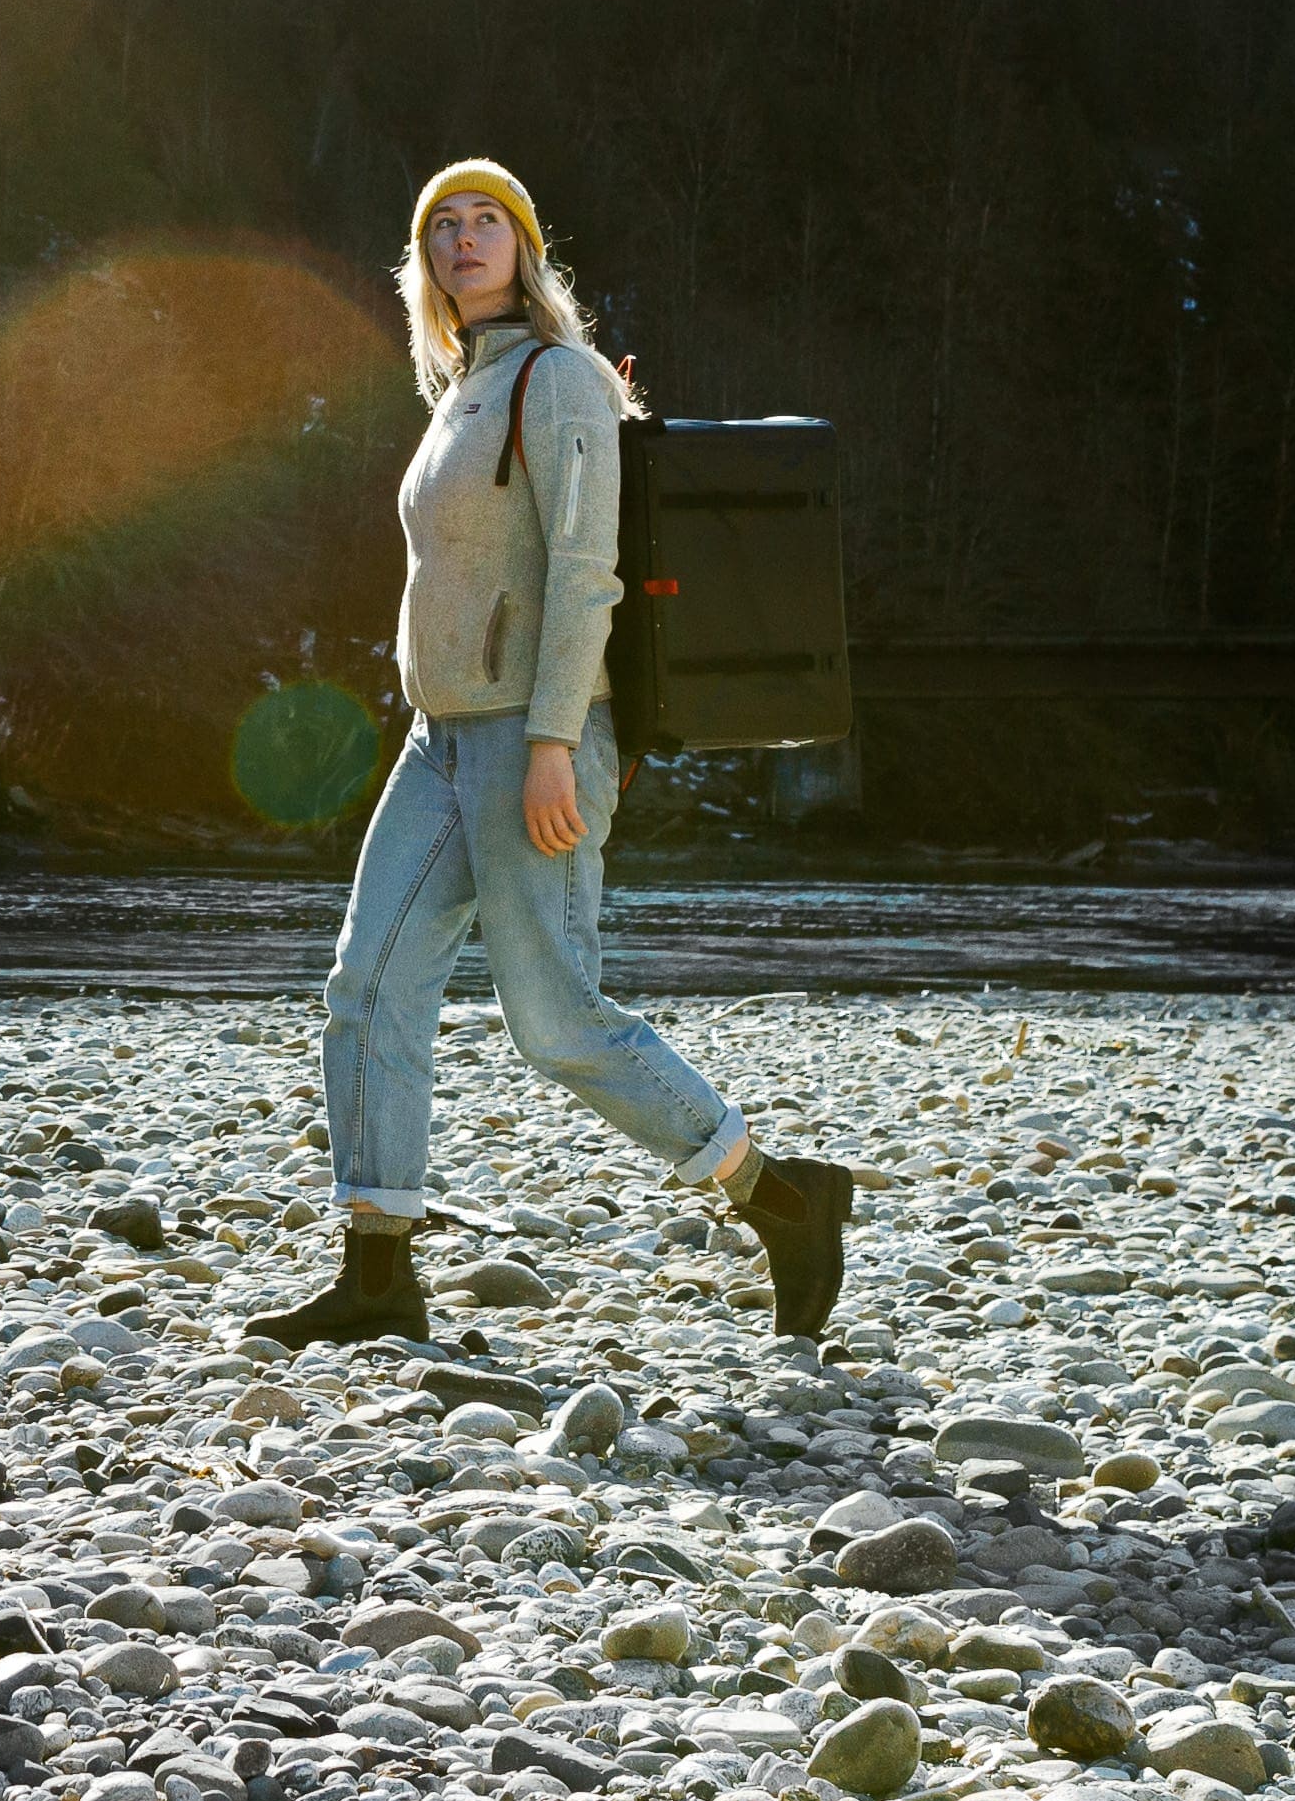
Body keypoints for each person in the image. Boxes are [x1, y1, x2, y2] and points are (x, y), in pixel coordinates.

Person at [256, 157, 857, 1349]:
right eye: (444, 227)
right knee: (367, 983)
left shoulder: (557, 377)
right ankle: (378, 1271)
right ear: (424, 263)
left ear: (526, 249)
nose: (466, 239)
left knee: (557, 1022)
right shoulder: (462, 388)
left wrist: (549, 743)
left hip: (538, 734)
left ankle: (783, 1198)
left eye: (489, 221)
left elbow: (590, 575)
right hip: (440, 739)